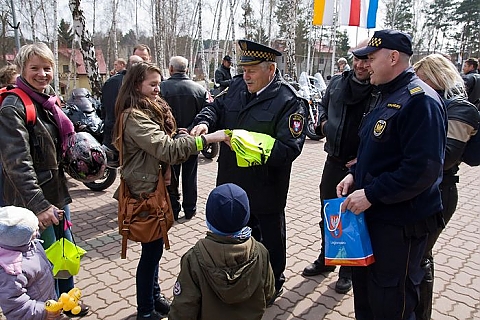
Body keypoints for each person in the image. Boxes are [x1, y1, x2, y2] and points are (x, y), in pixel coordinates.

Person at [336, 30, 446, 319]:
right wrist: (355, 175)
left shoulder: (420, 101)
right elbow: (378, 151)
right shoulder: (386, 94)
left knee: (391, 302)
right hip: (373, 220)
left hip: (399, 227)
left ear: (393, 57)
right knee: (367, 297)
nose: (366, 65)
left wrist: (371, 193)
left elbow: (422, 170)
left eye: (371, 58)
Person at [191, 39, 308, 306]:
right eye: (244, 69)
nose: (245, 75)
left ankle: (274, 282)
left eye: (252, 70)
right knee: (236, 240)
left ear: (270, 69)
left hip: (266, 189)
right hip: (232, 186)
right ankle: (241, 280)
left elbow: (289, 149)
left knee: (270, 242)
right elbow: (214, 107)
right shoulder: (235, 88)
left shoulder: (289, 101)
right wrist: (203, 122)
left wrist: (246, 143)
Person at [112, 61, 229, 320]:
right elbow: (165, 149)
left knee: (153, 249)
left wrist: (180, 136)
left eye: (159, 83)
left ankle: (154, 298)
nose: (158, 89)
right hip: (144, 192)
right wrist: (210, 138)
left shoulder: (149, 109)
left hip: (155, 187)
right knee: (151, 252)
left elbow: (164, 142)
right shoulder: (133, 116)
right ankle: (145, 310)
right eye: (152, 84)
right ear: (136, 85)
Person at [0, 43, 89, 317]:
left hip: (56, 194)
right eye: (35, 68)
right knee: (43, 265)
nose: (43, 74)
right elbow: (17, 164)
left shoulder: (47, 101)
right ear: (23, 70)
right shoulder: (13, 106)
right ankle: (52, 310)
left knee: (64, 254)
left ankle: (68, 302)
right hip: (34, 202)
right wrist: (39, 206)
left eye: (47, 68)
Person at [302, 40, 374, 295]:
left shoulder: (379, 89)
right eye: (357, 58)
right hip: (333, 160)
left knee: (351, 219)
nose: (360, 64)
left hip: (359, 167)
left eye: (366, 59)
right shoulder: (338, 82)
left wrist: (365, 157)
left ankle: (348, 270)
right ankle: (327, 258)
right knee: (329, 215)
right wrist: (322, 124)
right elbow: (323, 104)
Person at [413, 54, 480, 320]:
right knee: (415, 257)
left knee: (421, 258)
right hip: (422, 189)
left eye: (423, 80)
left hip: (440, 193)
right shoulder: (432, 103)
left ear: (437, 77)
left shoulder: (461, 109)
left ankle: (421, 315)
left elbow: (446, 157)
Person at [169, 183, 275, 320]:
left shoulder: (193, 258)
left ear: (208, 219)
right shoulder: (260, 251)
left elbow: (183, 310)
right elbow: (269, 293)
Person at [160, 56, 211, 220]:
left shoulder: (161, 89)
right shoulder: (199, 89)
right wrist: (189, 129)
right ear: (187, 69)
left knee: (171, 177)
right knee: (190, 177)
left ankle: (173, 209)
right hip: (192, 139)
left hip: (170, 142)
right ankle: (190, 209)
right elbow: (206, 115)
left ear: (171, 69)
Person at [0, 206, 66, 320]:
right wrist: (42, 312)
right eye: (34, 230)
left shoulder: (23, 243)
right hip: (38, 314)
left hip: (47, 301)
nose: (37, 230)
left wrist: (52, 215)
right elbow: (16, 306)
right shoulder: (12, 270)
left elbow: (27, 232)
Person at [101, 54, 143, 166]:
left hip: (112, 130)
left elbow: (103, 106)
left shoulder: (111, 81)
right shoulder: (136, 84)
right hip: (128, 132)